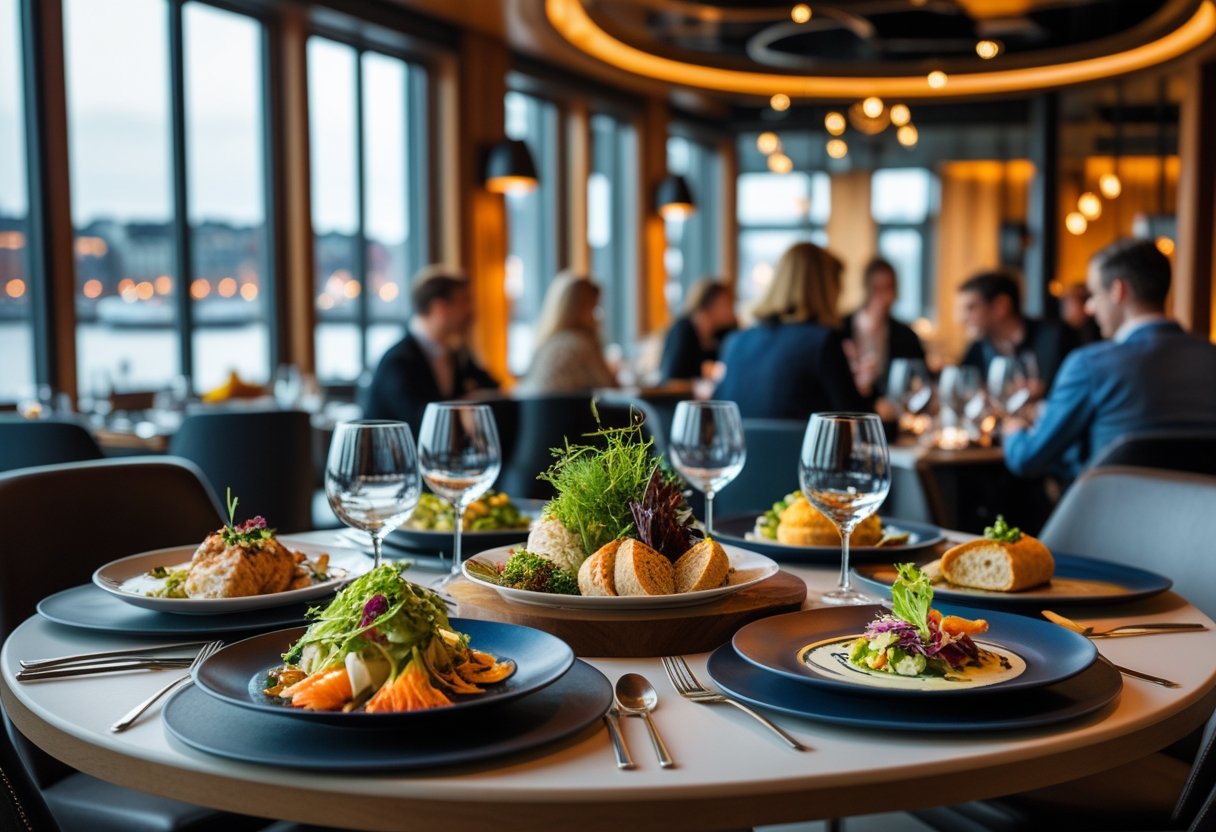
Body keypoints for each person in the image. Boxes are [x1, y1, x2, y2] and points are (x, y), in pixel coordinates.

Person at [1003, 238, 1216, 480]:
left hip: (1108, 514)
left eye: (1093, 294)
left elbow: (1028, 458)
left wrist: (1013, 429)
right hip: (1202, 514)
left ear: (1118, 290)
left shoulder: (1090, 365)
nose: (1090, 308)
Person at [714, 241, 869, 420]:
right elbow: (857, 421)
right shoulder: (823, 342)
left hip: (742, 449)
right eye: (838, 287)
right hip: (802, 449)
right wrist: (865, 388)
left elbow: (718, 412)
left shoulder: (735, 341)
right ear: (827, 290)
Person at [362, 266, 498, 428]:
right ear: (440, 308)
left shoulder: (456, 353)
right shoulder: (398, 361)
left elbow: (494, 390)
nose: (471, 311)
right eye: (464, 301)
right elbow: (419, 423)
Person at [957, 270, 1076, 393]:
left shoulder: (1055, 337)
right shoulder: (978, 348)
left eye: (971, 308)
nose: (960, 319)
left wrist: (1044, 393)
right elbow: (962, 389)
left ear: (1001, 306)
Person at [516, 273, 617, 394]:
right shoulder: (581, 343)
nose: (599, 315)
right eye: (595, 307)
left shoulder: (547, 344)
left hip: (536, 412)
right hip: (570, 412)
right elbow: (607, 389)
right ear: (583, 309)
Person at [841, 257, 926, 396]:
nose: (884, 296)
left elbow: (921, 380)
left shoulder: (907, 336)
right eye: (877, 289)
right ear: (866, 288)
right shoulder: (839, 329)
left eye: (889, 288)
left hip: (893, 413)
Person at [659, 278, 738, 383]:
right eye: (727, 303)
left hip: (709, 396)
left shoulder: (722, 333)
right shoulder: (683, 330)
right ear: (711, 304)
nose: (731, 309)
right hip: (678, 397)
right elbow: (674, 373)